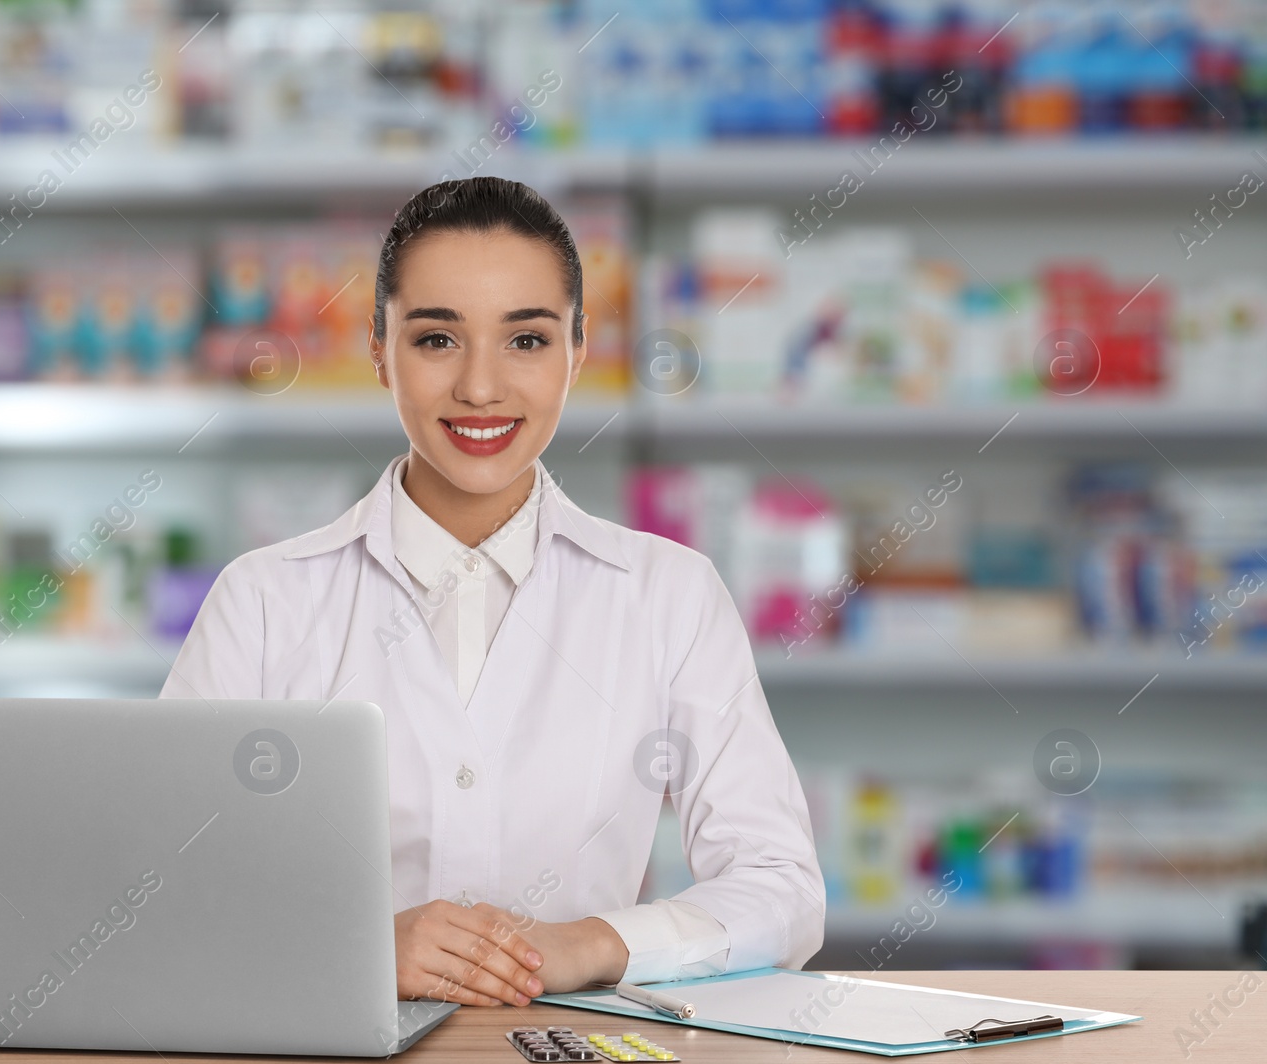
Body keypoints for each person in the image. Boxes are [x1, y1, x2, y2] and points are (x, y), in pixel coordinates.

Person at [162, 176, 823, 1008]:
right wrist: (356, 946)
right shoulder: (263, 602)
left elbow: (781, 887)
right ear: (378, 348)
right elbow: (163, 894)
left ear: (579, 350)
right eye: (437, 340)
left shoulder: (667, 594)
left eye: (527, 341)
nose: (481, 388)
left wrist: (592, 944)